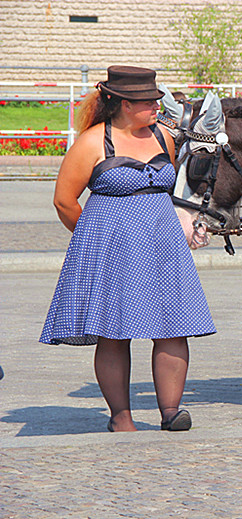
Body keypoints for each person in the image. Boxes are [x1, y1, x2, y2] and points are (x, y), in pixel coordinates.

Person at [39, 66, 216, 432]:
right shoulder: (92, 142)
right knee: (114, 331)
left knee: (173, 325)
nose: (156, 105)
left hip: (162, 245)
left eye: (154, 98)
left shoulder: (163, 137)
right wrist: (95, 238)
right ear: (121, 104)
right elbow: (64, 200)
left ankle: (171, 412)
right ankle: (121, 417)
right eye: (147, 101)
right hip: (112, 248)